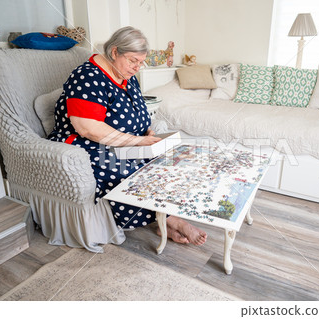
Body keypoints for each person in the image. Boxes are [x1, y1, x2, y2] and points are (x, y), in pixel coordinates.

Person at [48, 26, 206, 246]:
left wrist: (146, 131)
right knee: (130, 173)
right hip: (87, 146)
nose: (137, 67)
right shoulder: (87, 77)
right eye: (133, 60)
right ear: (114, 52)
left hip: (124, 142)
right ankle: (172, 222)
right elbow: (88, 128)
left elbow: (135, 111)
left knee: (169, 161)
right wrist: (137, 141)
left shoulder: (126, 74)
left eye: (141, 62)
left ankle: (165, 221)